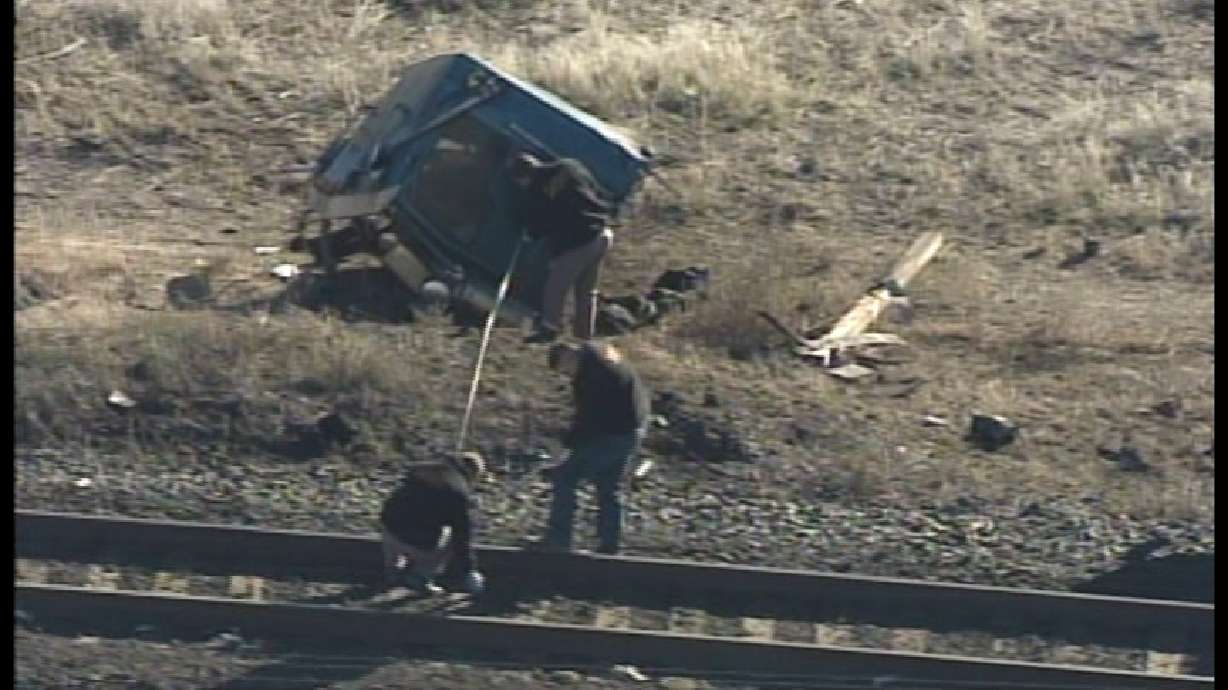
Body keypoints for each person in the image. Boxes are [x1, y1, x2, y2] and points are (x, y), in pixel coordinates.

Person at [532, 342, 650, 554]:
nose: (568, 375)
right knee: (609, 486)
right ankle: (609, 544)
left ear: (568, 356)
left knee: (565, 477)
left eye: (565, 370)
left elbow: (588, 419)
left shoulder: (591, 375)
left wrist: (566, 446)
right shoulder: (600, 352)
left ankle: (559, 540)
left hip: (614, 433)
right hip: (633, 427)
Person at [509, 152, 616, 344]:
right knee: (586, 292)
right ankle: (585, 339)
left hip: (582, 241)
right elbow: (595, 188)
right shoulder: (569, 166)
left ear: (523, 178)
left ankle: (550, 329)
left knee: (555, 286)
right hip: (603, 232)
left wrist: (529, 232)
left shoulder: (539, 192)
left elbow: (542, 226)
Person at [379, 451, 487, 595]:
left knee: (407, 527)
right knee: (449, 535)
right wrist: (468, 571)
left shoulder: (421, 474)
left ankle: (393, 573)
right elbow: (462, 535)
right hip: (419, 542)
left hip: (389, 532)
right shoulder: (457, 492)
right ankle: (421, 577)